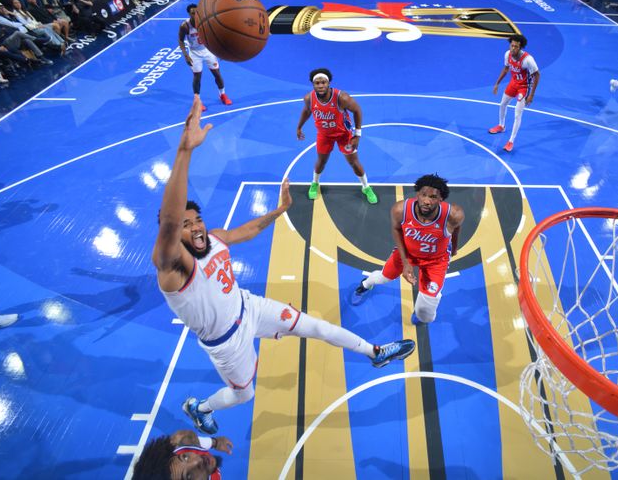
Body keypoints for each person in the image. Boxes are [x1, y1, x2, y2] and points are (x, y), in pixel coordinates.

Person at [153, 96, 415, 435]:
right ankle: (200, 407)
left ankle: (376, 352)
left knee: (315, 326)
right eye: (187, 225)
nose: (196, 227)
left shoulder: (213, 237)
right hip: (226, 342)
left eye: (197, 220)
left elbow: (243, 231)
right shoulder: (171, 267)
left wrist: (279, 211)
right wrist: (185, 151)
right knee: (243, 394)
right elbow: (171, 222)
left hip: (249, 307)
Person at [351, 174, 464, 326]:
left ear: (440, 199)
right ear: (417, 194)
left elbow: (456, 229)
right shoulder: (400, 210)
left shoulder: (453, 215)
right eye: (423, 195)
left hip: (436, 261)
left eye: (432, 197)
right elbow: (397, 230)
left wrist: (454, 248)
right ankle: (365, 285)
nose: (426, 201)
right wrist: (405, 262)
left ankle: (422, 310)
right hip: (407, 253)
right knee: (383, 277)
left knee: (426, 317)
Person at [295, 68, 378, 204]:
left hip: (343, 135)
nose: (320, 86)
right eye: (317, 83)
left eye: (323, 82)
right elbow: (307, 110)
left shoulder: (342, 98)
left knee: (354, 163)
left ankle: (366, 187)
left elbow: (357, 110)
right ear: (313, 84)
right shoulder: (309, 98)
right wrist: (299, 127)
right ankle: (315, 183)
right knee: (321, 162)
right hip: (324, 135)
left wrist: (357, 135)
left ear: (328, 83)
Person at [488, 34, 540, 152]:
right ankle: (501, 126)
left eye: (516, 47)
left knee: (517, 114)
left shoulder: (528, 60)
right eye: (512, 46)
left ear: (520, 47)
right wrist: (497, 83)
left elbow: (537, 75)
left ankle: (511, 141)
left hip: (524, 87)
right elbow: (506, 69)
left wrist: (531, 95)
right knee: (502, 104)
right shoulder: (507, 54)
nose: (513, 48)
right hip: (513, 83)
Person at [178, 3, 231, 112]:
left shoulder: (205, 23)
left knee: (217, 74)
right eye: (193, 13)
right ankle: (197, 101)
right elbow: (180, 40)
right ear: (189, 13)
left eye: (197, 12)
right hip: (194, 53)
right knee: (197, 77)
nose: (195, 15)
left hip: (208, 50)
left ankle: (223, 95)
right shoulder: (185, 26)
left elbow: (214, 35)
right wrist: (186, 55)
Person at [133, 428, 232, 480]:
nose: (198, 460)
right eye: (189, 476)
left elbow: (184, 436)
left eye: (184, 457)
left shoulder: (182, 444)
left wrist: (214, 442)